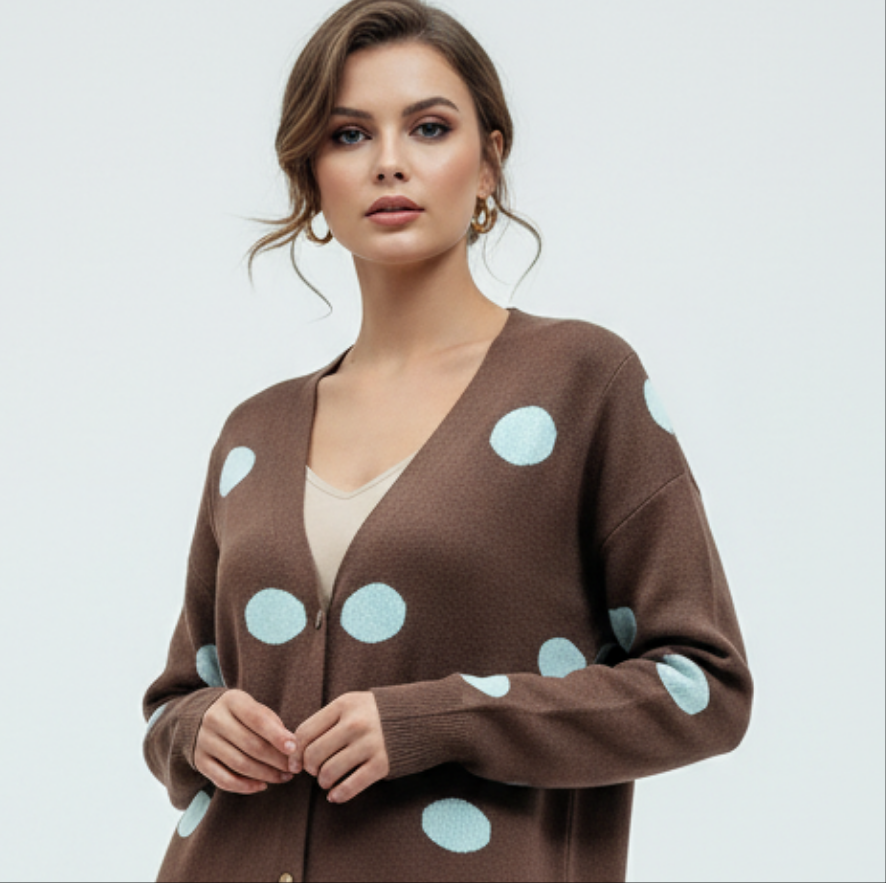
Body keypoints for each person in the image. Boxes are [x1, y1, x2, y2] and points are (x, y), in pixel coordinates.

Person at [141, 1, 754, 881]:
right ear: (312, 177)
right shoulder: (253, 431)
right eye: (349, 134)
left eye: (428, 128)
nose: (388, 161)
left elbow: (703, 687)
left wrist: (444, 718)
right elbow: (176, 697)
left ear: (489, 161)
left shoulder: (582, 383)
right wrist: (200, 729)